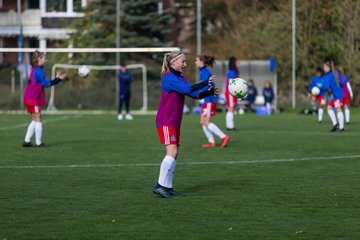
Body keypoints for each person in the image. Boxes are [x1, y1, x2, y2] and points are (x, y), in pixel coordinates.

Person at [153, 51, 219, 198]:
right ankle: (160, 185)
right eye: (183, 62)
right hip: (165, 121)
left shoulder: (181, 78)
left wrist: (208, 92)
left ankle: (168, 187)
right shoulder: (168, 78)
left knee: (175, 155)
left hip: (175, 122)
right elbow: (186, 89)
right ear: (173, 63)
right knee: (172, 153)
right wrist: (205, 82)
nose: (185, 64)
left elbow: (193, 94)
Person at [22, 50, 66, 147]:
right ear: (39, 59)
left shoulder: (35, 69)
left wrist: (57, 78)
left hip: (29, 98)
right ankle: (38, 143)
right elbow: (46, 84)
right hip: (32, 99)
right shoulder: (38, 71)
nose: (46, 60)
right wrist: (58, 79)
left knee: (35, 118)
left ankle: (27, 141)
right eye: (44, 58)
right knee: (38, 119)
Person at [195, 54, 230, 148]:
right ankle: (211, 142)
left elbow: (209, 88)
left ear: (202, 62)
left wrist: (207, 99)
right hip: (207, 100)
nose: (196, 62)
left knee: (205, 122)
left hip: (209, 100)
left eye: (197, 60)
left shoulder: (205, 73)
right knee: (203, 121)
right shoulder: (203, 72)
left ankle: (224, 136)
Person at [321, 61, 344, 132]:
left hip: (337, 96)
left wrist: (322, 88)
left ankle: (341, 127)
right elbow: (342, 83)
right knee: (329, 108)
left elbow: (326, 87)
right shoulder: (336, 73)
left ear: (328, 68)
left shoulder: (328, 76)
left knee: (338, 109)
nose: (324, 68)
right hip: (337, 95)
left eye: (325, 67)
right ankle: (336, 124)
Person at [224, 56, 239, 130]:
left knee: (231, 109)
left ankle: (229, 126)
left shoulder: (234, 72)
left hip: (233, 93)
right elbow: (231, 83)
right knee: (230, 108)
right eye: (237, 62)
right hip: (230, 93)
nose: (238, 63)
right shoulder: (232, 72)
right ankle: (230, 126)